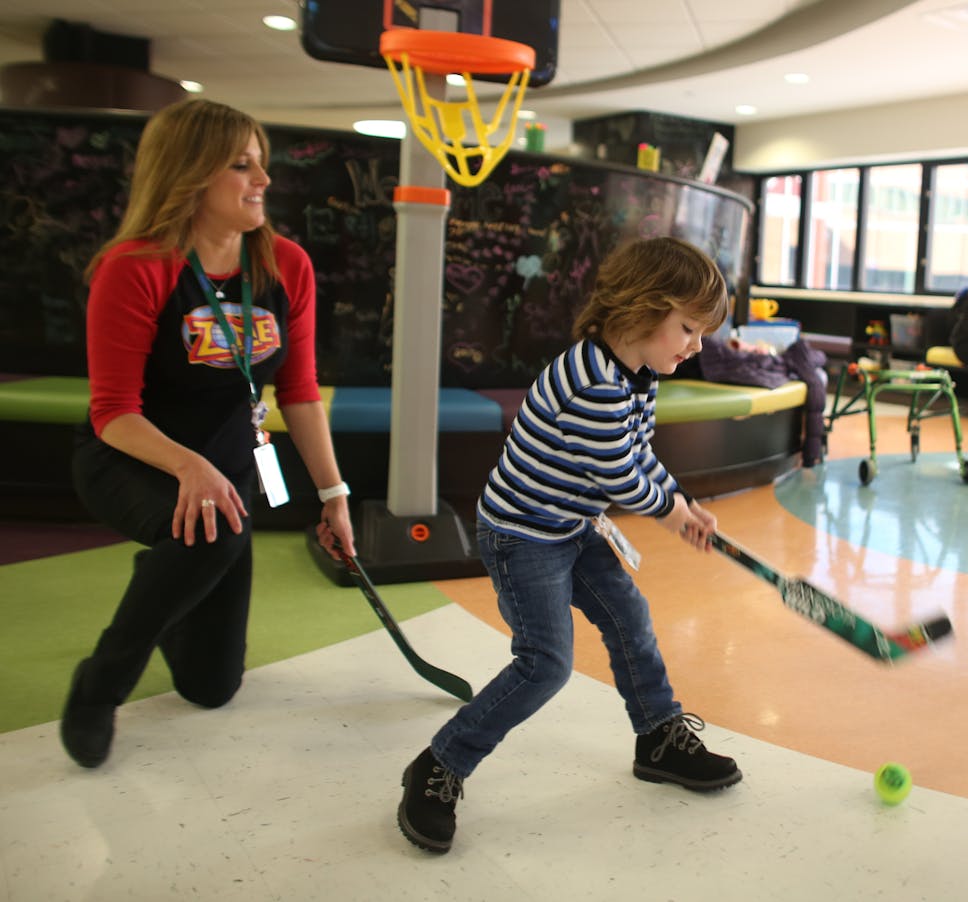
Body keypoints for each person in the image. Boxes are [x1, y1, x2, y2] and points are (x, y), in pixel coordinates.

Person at [396, 237, 742, 855]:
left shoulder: (639, 374)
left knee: (629, 618)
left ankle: (658, 736)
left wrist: (682, 503)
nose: (697, 347)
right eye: (689, 329)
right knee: (546, 664)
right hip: (522, 534)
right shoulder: (592, 383)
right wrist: (671, 513)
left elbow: (640, 456)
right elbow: (616, 475)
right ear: (641, 310)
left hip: (571, 525)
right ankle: (440, 763)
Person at [61, 99, 356, 769]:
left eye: (262, 164)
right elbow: (112, 410)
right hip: (131, 459)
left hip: (226, 473)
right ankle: (99, 686)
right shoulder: (136, 266)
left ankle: (170, 575)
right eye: (241, 164)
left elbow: (301, 394)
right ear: (190, 174)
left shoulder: (286, 266)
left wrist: (334, 494)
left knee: (211, 687)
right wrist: (189, 468)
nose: (264, 181)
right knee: (214, 527)